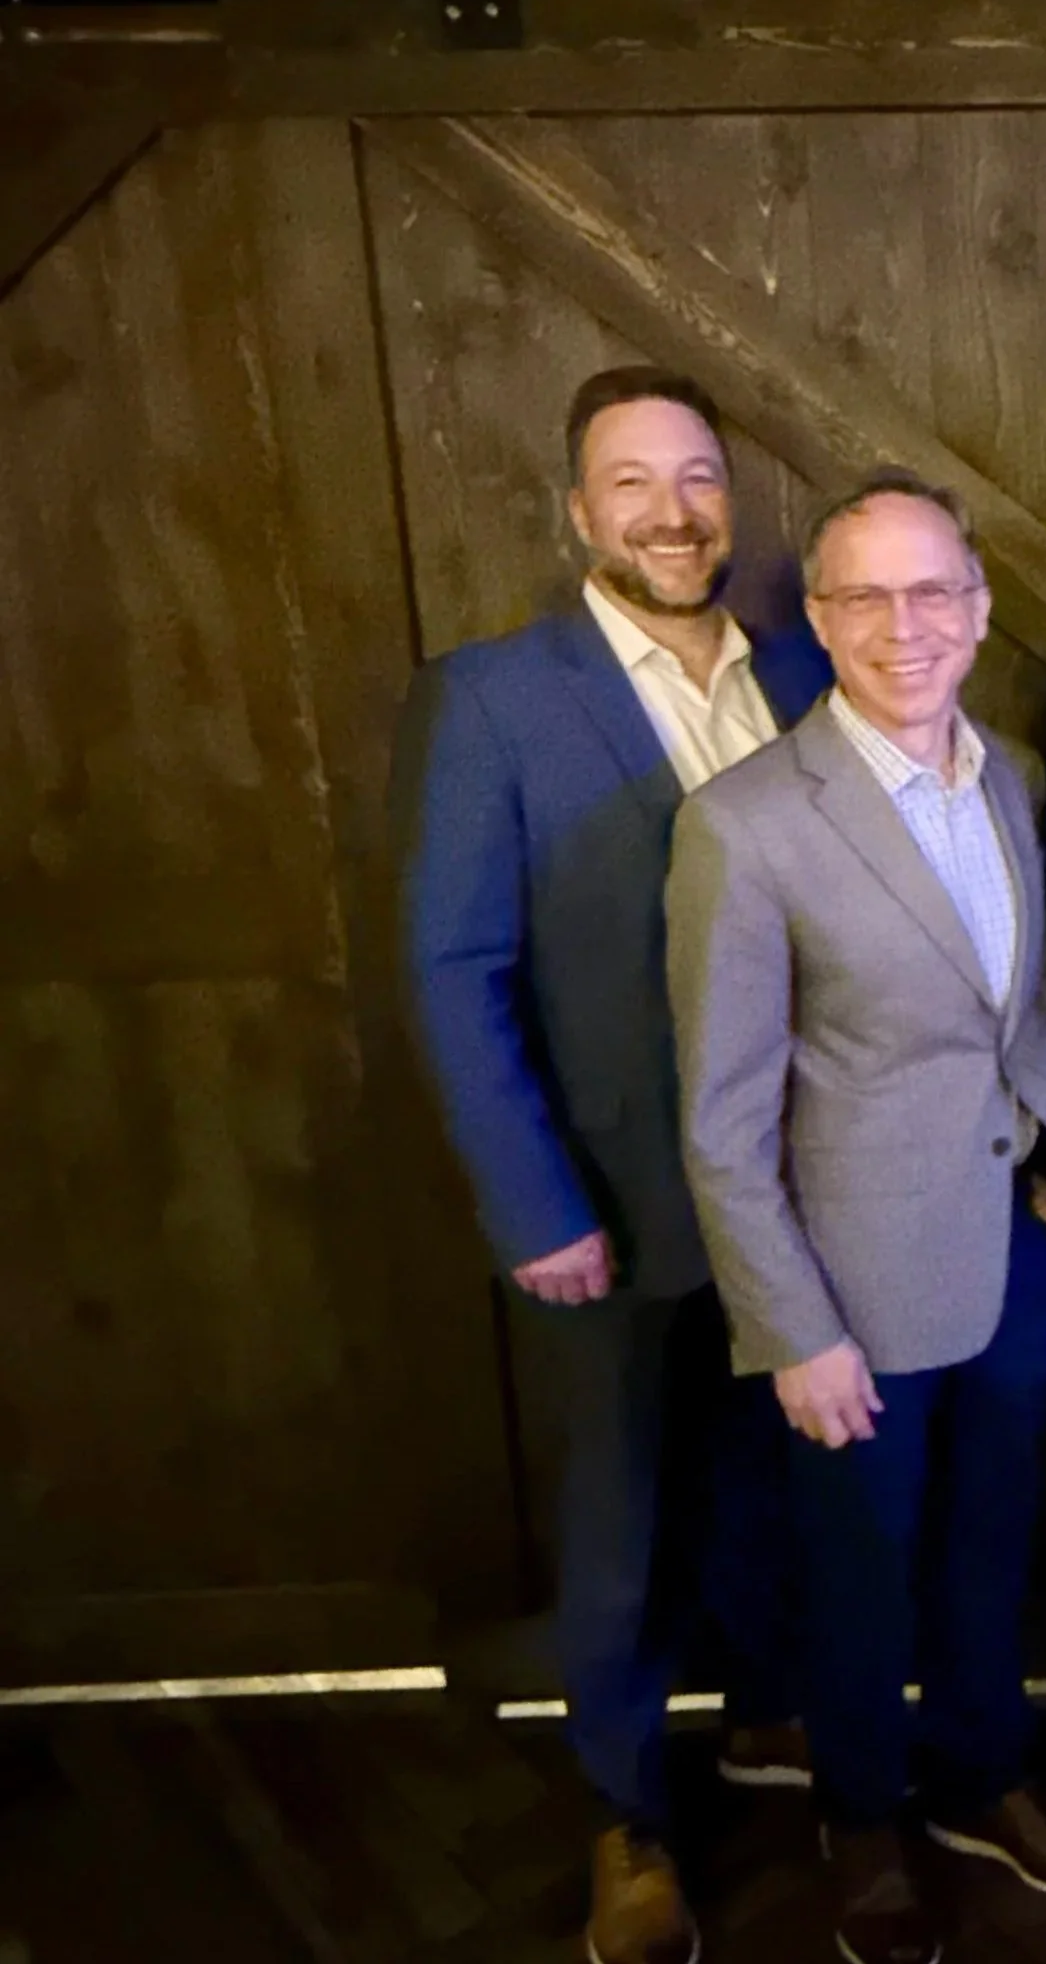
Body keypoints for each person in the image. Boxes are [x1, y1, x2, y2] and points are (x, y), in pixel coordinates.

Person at [666, 467, 1046, 1964]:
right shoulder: (744, 828)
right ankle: (866, 1821)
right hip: (851, 1286)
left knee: (989, 1539)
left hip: (1016, 1245)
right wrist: (793, 1331)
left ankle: (978, 1780)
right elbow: (723, 1116)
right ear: (817, 617)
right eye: (866, 595)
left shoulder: (1005, 767)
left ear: (980, 606)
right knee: (859, 1574)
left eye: (935, 589)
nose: (906, 624)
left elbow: (1011, 1013)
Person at [392, 367, 824, 1964]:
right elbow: (453, 966)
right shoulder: (495, 698)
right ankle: (625, 1816)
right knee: (623, 1522)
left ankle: (779, 1726)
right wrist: (532, 1203)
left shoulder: (805, 666)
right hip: (610, 1203)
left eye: (698, 476)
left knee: (784, 1490)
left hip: (803, 1193)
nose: (671, 511)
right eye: (631, 482)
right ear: (578, 512)